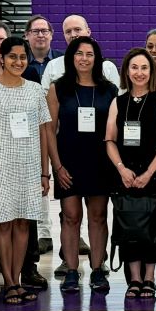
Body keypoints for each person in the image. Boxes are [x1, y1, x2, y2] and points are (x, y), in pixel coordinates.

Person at [0, 35, 53, 304]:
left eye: (22, 56)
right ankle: (7, 281)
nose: (18, 61)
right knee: (2, 225)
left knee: (23, 225)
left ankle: (17, 278)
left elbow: (43, 133)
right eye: (12, 56)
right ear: (1, 59)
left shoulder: (35, 89)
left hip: (28, 166)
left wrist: (44, 171)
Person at [105, 48, 156, 299]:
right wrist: (121, 168)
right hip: (126, 174)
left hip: (154, 174)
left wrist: (148, 172)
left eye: (144, 68)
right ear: (126, 71)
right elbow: (110, 140)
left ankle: (149, 278)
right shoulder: (118, 101)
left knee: (152, 228)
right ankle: (133, 279)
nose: (139, 72)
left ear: (152, 71)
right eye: (134, 67)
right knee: (129, 227)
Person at [45, 35, 114, 296]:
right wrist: (57, 166)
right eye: (79, 54)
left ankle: (98, 269)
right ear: (70, 57)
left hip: (100, 161)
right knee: (71, 216)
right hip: (68, 161)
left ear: (96, 59)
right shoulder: (58, 88)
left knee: (98, 217)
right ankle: (72, 270)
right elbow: (49, 130)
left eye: (89, 54)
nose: (84, 59)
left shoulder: (108, 89)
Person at [44, 15, 121, 88]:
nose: (73, 35)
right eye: (68, 32)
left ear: (88, 32)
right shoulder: (53, 66)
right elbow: (44, 98)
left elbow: (118, 98)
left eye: (77, 30)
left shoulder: (108, 67)